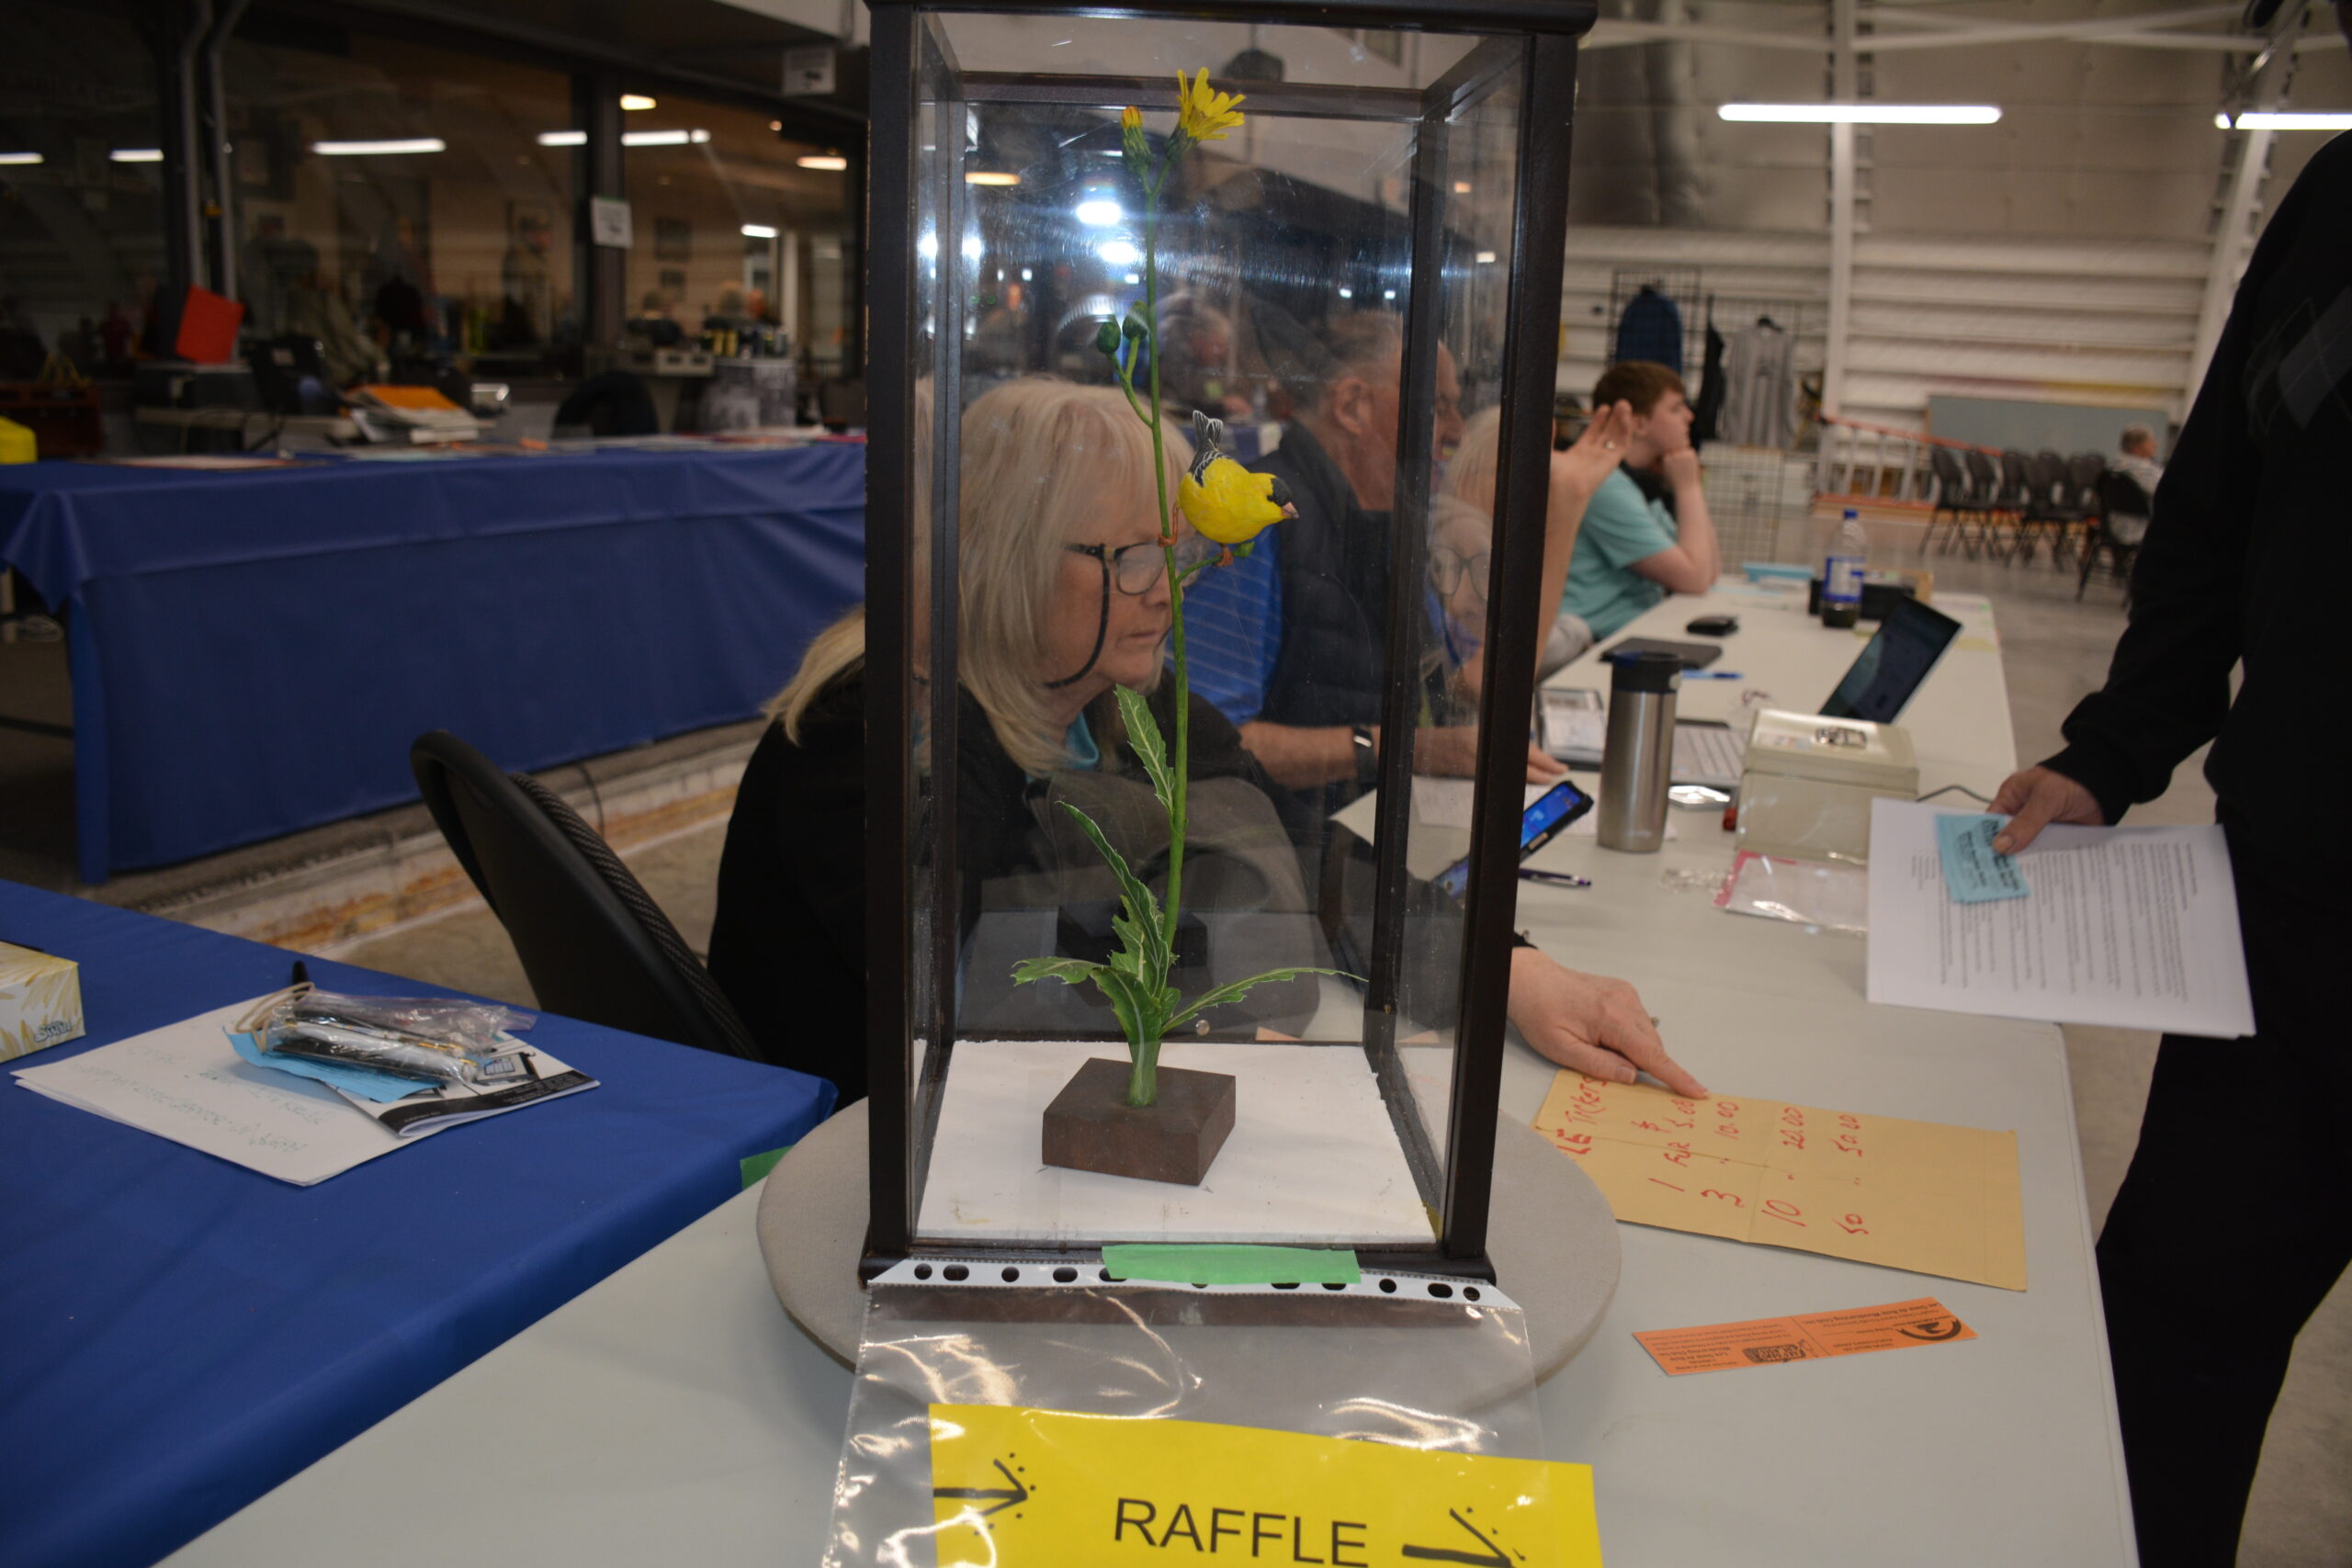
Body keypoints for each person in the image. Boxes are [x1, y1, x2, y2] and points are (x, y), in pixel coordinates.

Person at [708, 378, 1704, 1106]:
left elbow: (1299, 854)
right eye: (1134, 557)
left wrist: (1502, 969)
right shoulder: (874, 736)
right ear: (1007, 561)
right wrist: (1220, 1027)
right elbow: (985, 983)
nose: (1167, 591)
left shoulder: (1119, 698)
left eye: (1174, 552)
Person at [1983, 75, 2351, 1568]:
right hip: (2296, 919)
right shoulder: (2333, 208)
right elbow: (2212, 515)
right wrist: (2115, 749)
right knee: (2168, 1336)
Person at [1183, 311, 1562, 808]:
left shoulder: (1390, 522)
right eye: (1438, 407)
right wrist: (1407, 749)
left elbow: (1460, 678)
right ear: (1352, 406)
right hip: (1279, 838)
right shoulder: (1253, 526)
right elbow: (1202, 743)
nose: (1455, 432)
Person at [1438, 400, 1637, 691]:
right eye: (1520, 476)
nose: (1533, 491)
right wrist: (1578, 632)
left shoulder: (1482, 533)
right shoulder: (1467, 534)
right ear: (1469, 475)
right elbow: (1486, 675)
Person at [1555, 361, 1723, 641]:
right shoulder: (1605, 485)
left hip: (1626, 633)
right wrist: (1689, 488)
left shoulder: (1636, 484)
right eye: (1675, 408)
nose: (1689, 416)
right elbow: (1694, 578)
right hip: (1592, 644)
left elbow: (1709, 571)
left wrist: (1688, 485)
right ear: (1639, 423)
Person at [2105, 423, 2165, 545]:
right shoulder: (2140, 470)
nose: (2155, 444)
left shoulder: (2112, 466)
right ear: (2136, 446)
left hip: (2113, 525)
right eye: (2150, 441)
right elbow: (2165, 492)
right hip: (2141, 528)